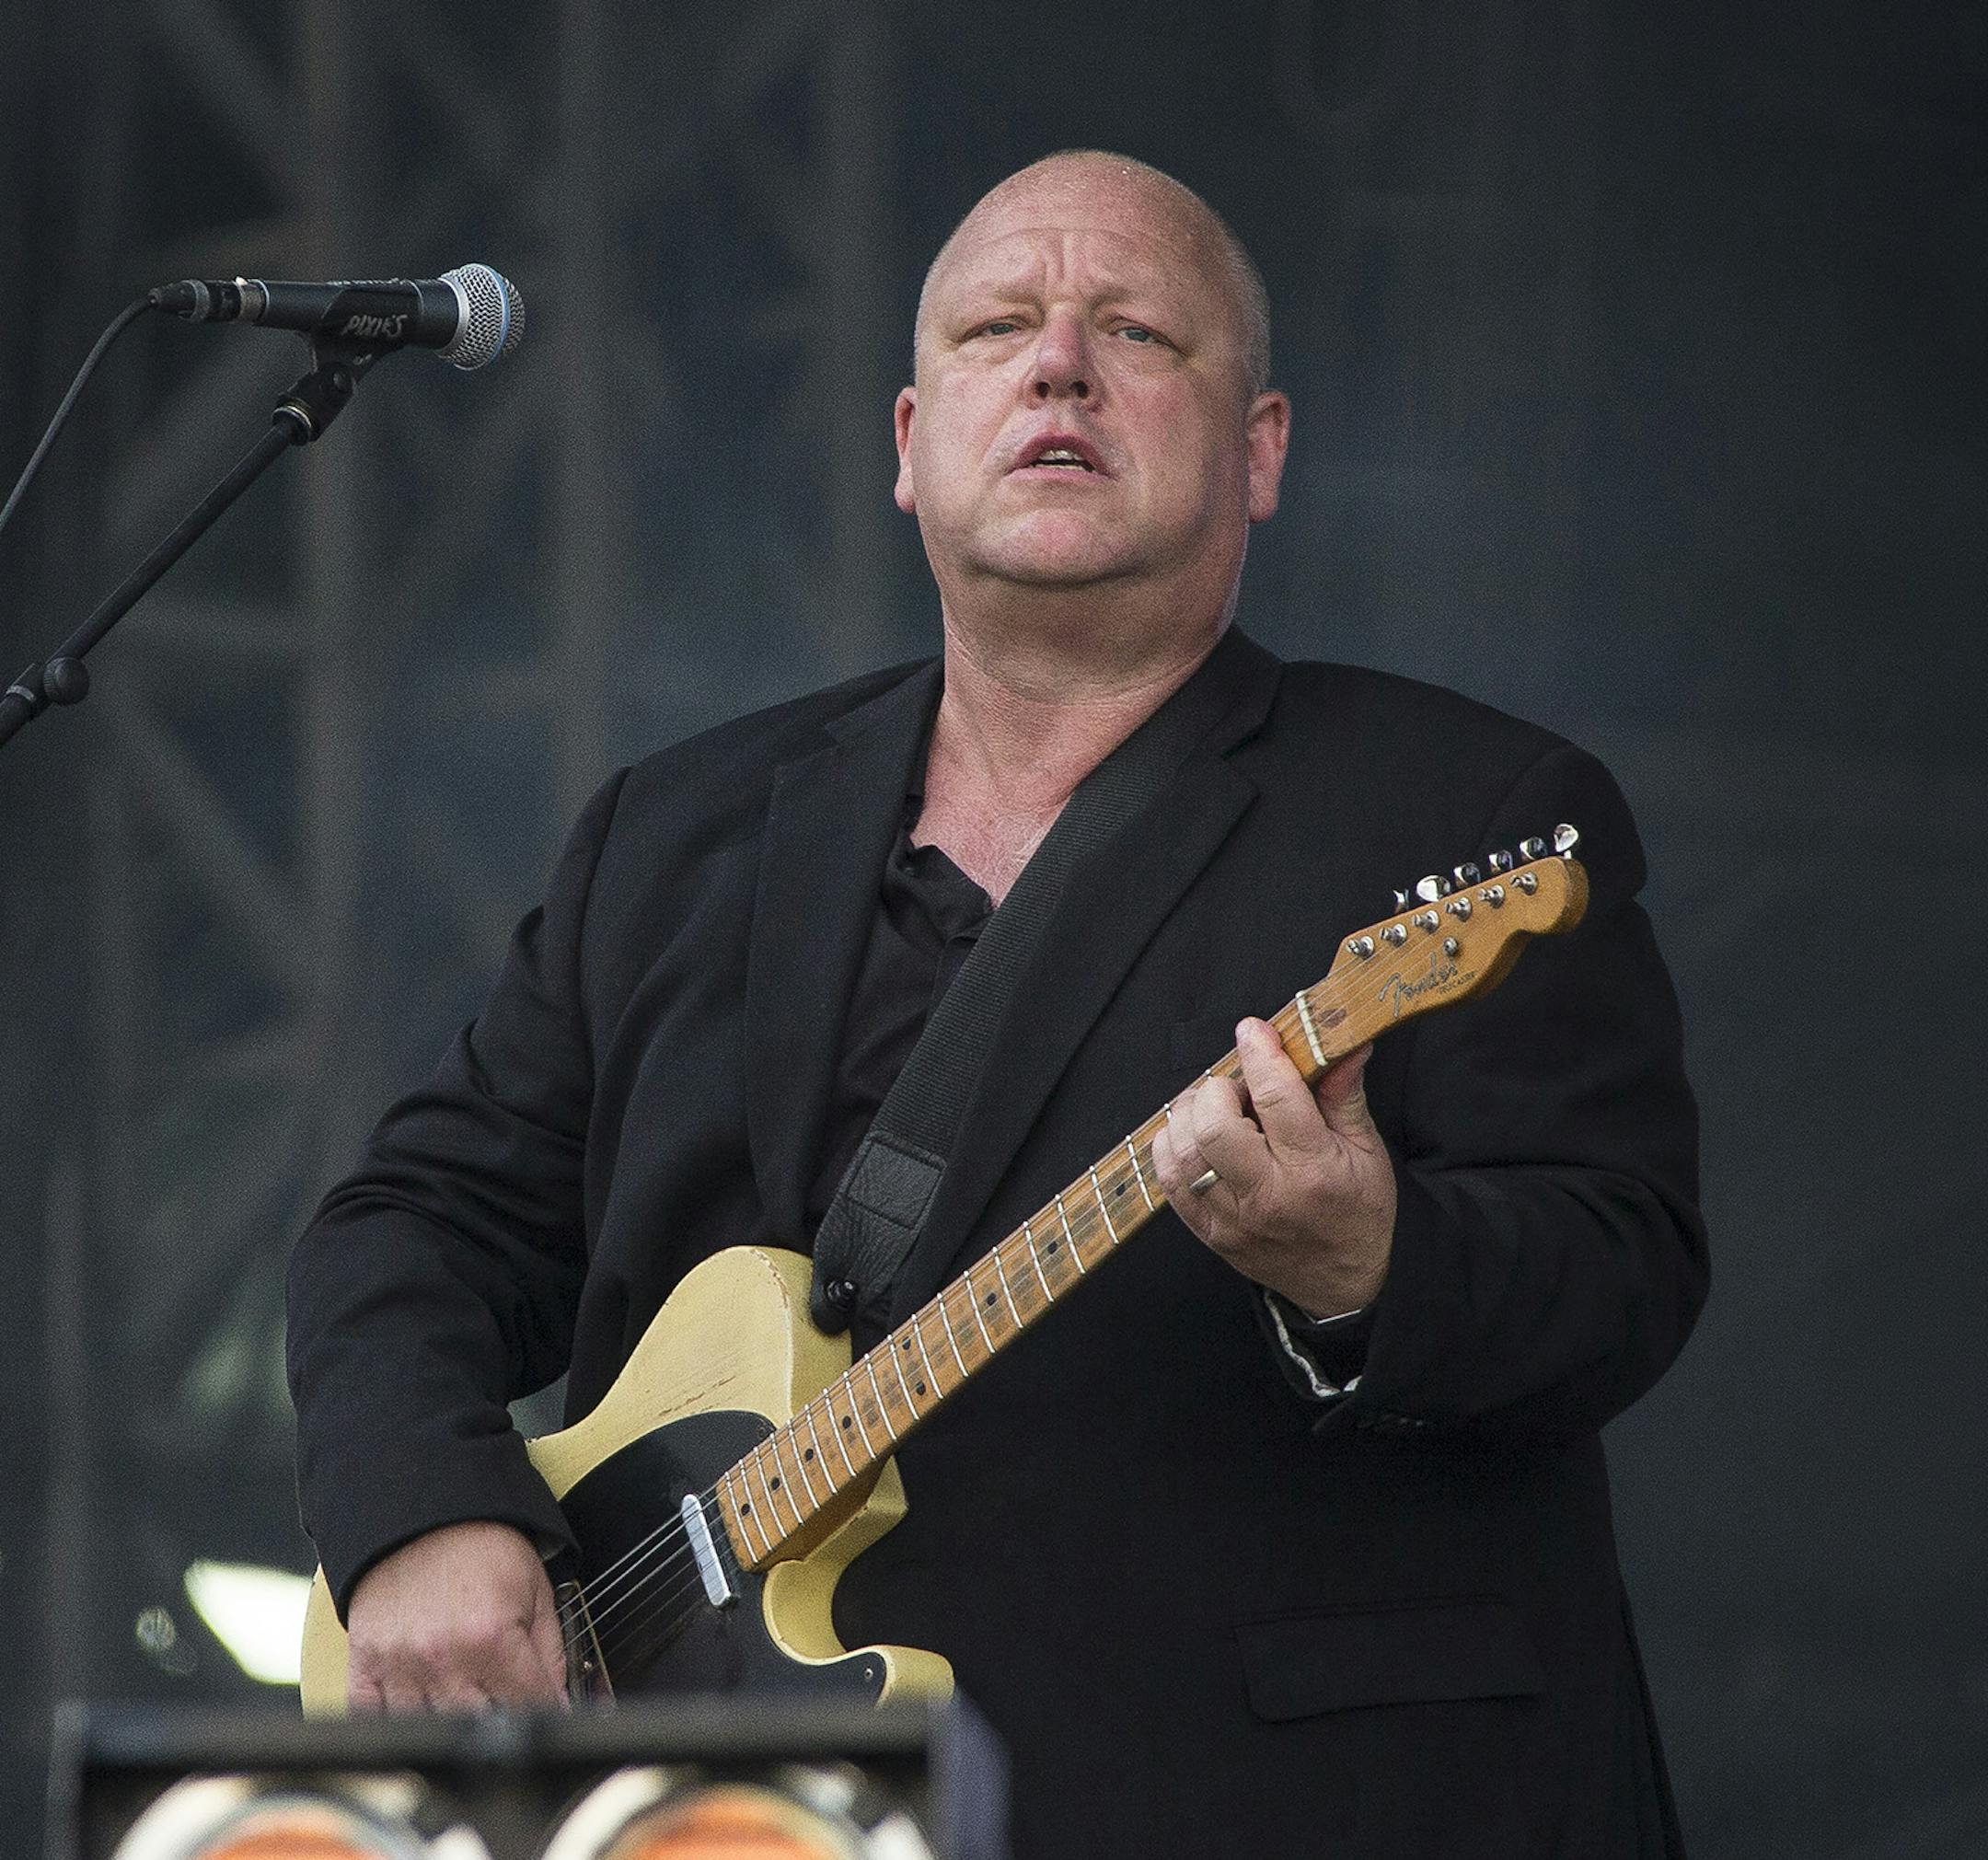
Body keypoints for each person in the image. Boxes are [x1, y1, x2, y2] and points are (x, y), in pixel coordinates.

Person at [287, 150, 1707, 1856]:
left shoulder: (1463, 815)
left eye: (1137, 333)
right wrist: (423, 1514)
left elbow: (1626, 1264)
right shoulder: (673, 835)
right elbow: (411, 1223)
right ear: (908, 444)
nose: (1059, 365)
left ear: (1260, 451)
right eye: (995, 329)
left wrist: (1371, 1266)